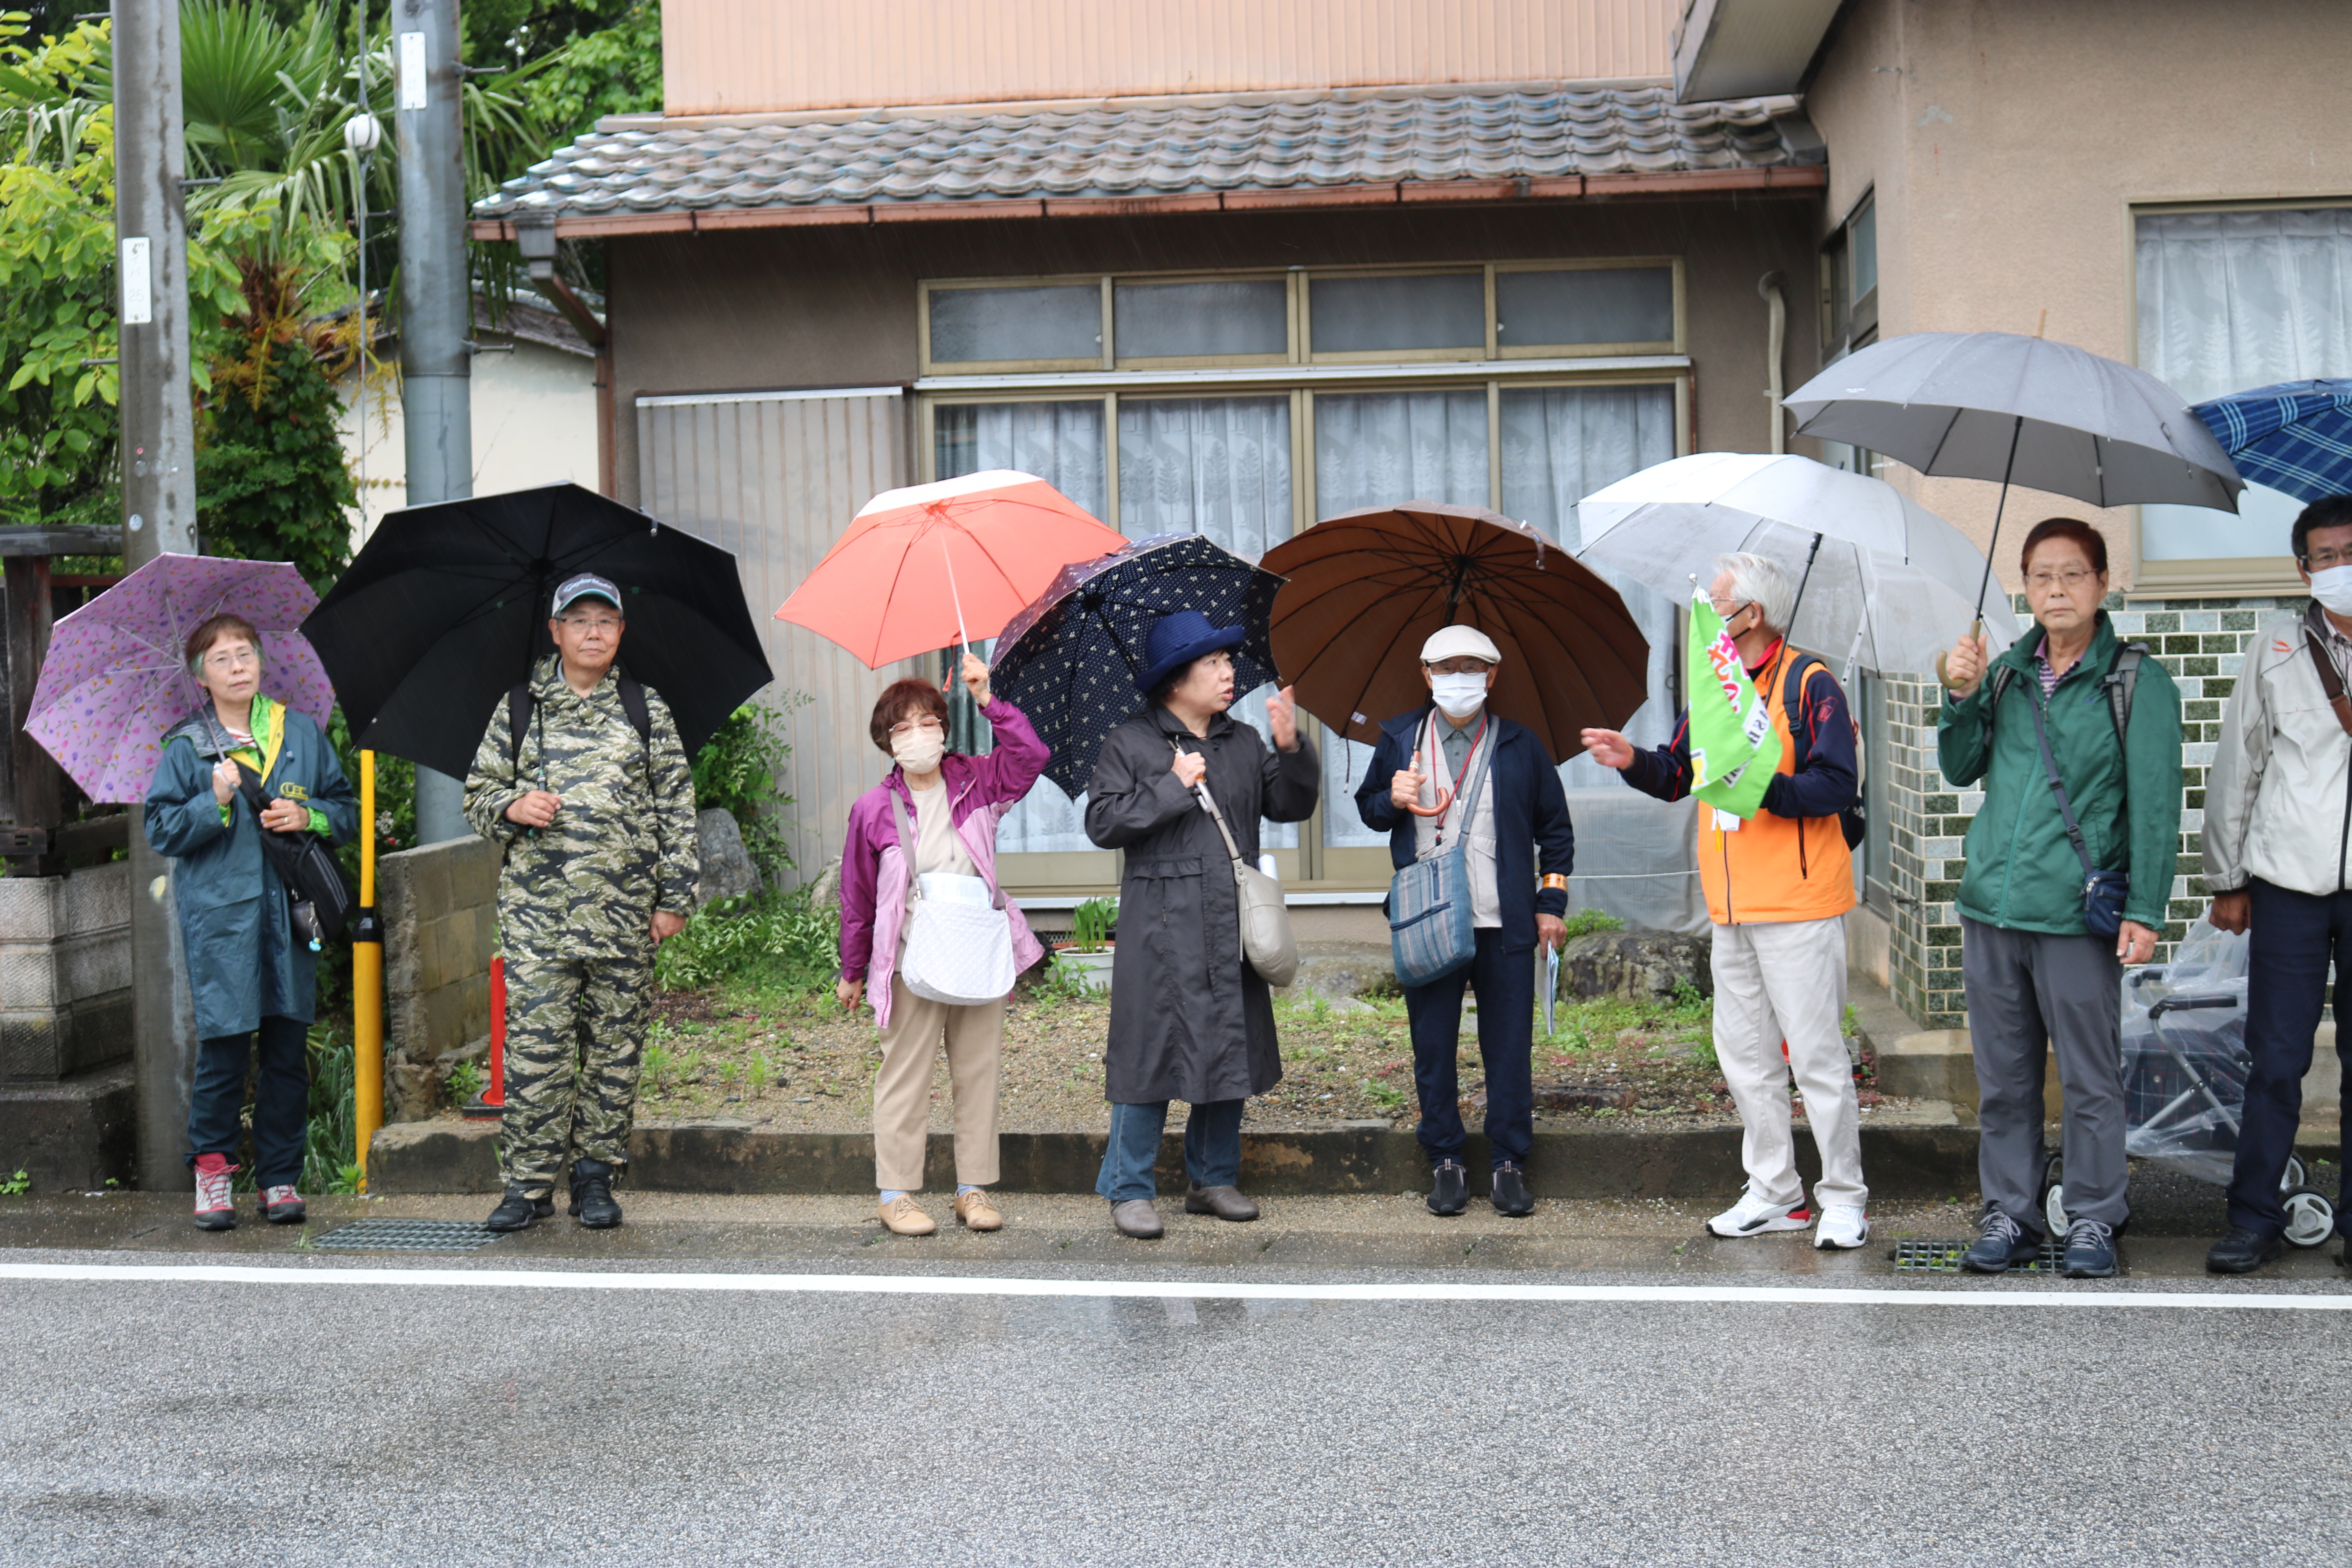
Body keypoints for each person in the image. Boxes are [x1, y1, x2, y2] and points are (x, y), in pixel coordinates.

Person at [1582, 553, 1870, 1250]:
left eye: (1717, 605)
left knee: (1817, 1058)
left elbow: (1837, 785)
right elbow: (1681, 773)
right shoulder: (1719, 684)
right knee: (1745, 1057)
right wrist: (1633, 761)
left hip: (1800, 902)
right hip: (1732, 905)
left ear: (1753, 614)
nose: (1706, 616)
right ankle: (1776, 1191)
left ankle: (1843, 1197)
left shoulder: (1811, 681)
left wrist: (1759, 787)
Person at [1939, 518, 2181, 1279]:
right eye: (2041, 575)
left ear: (2103, 584)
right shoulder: (2006, 672)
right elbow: (1957, 765)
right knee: (2004, 1079)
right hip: (1993, 911)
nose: (2056, 589)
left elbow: (2156, 803)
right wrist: (1961, 694)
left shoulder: (2136, 680)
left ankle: (2093, 1218)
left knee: (2089, 1078)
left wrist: (2145, 907)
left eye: (2073, 574)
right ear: (2025, 587)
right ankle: (2009, 1212)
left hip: (2076, 913)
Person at [465, 573, 698, 1232]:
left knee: (613, 1055)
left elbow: (677, 807)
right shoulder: (520, 708)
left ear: (621, 632)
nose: (592, 632)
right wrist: (512, 805)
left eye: (605, 621)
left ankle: (596, 1179)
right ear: (556, 632)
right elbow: (477, 800)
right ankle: (528, 1187)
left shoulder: (643, 708)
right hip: (540, 923)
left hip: (626, 919)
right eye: (579, 621)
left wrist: (673, 898)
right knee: (536, 1055)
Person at [1084, 610, 1319, 1239]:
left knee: (1227, 1043)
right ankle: (1129, 1188)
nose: (1228, 673)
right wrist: (1171, 785)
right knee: (1147, 1054)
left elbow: (1291, 803)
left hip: (1229, 920)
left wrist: (1292, 748)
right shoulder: (1131, 743)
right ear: (1175, 680)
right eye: (1213, 663)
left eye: (1227, 661)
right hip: (1159, 927)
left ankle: (1212, 1179)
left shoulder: (1240, 741)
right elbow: (1103, 824)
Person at [144, 613, 357, 1230]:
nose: (238, 667)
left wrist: (307, 814)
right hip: (223, 922)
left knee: (288, 1050)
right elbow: (162, 829)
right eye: (222, 660)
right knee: (226, 1049)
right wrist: (210, 799)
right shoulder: (187, 747)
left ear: (261, 662)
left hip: (293, 915)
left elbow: (345, 810)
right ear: (200, 678)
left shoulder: (301, 734)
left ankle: (280, 1178)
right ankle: (211, 1176)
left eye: (245, 655)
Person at [1357, 625, 1573, 1218]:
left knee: (1508, 1048)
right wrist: (1391, 798)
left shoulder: (1520, 746)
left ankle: (1508, 1162)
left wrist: (1550, 906)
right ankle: (1445, 1159)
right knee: (1433, 1046)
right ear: (1426, 675)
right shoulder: (1399, 738)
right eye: (1447, 668)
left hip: (1504, 922)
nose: (1460, 679)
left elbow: (1556, 834)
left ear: (1493, 676)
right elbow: (1371, 812)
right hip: (1428, 915)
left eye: (1472, 668)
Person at [837, 653, 1047, 1236]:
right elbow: (858, 898)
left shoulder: (980, 780)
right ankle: (897, 1194)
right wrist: (853, 972)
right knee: (904, 1073)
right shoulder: (873, 809)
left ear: (944, 729)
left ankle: (972, 1190)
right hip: (909, 958)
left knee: (978, 1071)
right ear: (887, 742)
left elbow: (1032, 758)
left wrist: (987, 698)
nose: (918, 735)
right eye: (902, 728)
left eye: (928, 721)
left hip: (977, 948)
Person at [2201, 494, 2352, 1274]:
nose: (2340, 567)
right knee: (2277, 1059)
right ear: (2303, 568)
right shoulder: (2278, 646)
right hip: (2290, 883)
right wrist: (2226, 876)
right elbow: (2238, 767)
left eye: (2349, 552)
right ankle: (2254, 1215)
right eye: (2325, 556)